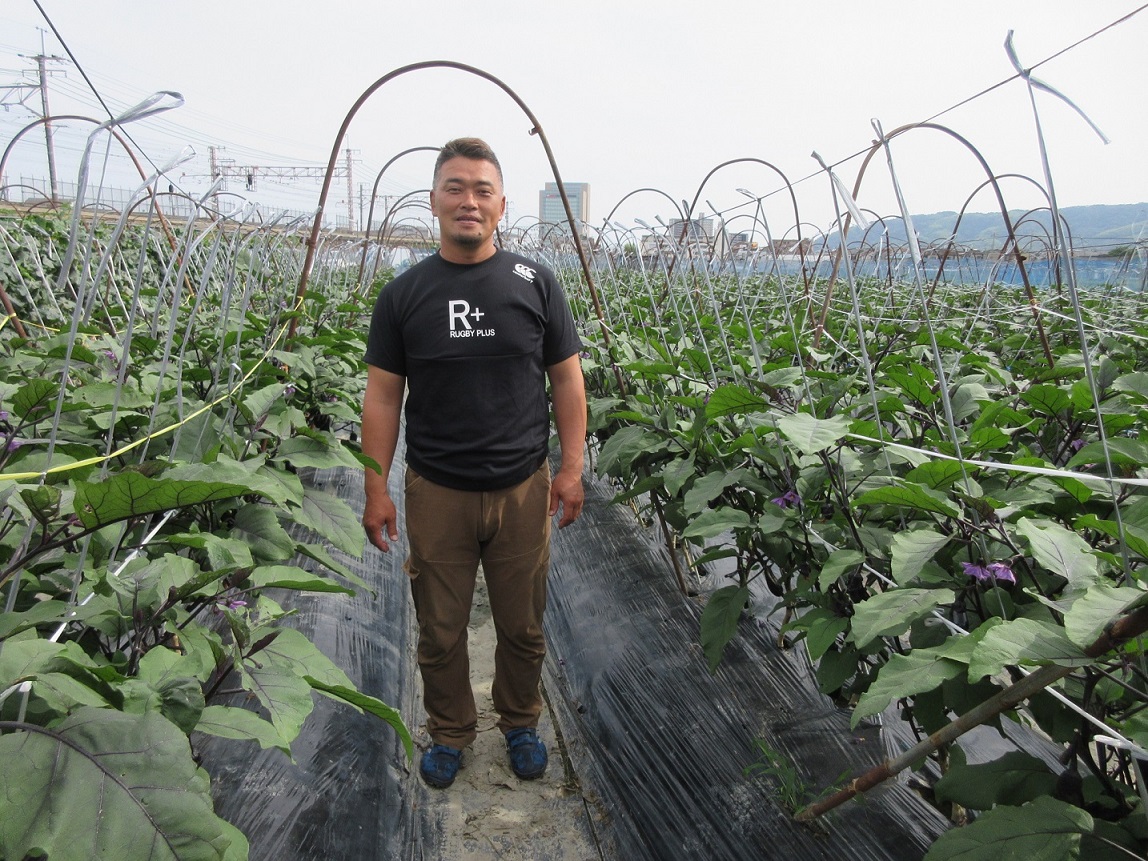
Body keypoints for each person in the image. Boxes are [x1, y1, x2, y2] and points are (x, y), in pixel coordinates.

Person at [360, 137, 587, 789]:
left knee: (522, 622)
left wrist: (570, 467)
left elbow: (567, 380)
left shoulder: (535, 283)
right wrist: (377, 488)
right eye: (455, 187)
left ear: (501, 205)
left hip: (522, 486)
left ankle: (519, 721)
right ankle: (452, 731)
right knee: (440, 626)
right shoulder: (405, 295)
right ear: (433, 201)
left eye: (482, 189)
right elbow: (382, 396)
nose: (468, 200)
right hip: (438, 488)